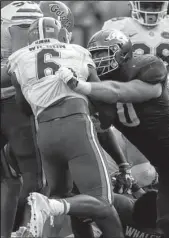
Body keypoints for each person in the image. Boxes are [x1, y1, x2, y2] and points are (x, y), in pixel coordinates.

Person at [62, 28, 169, 238]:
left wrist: (81, 86)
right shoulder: (98, 89)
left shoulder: (144, 69)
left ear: (123, 53)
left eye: (103, 53)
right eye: (94, 54)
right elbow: (101, 130)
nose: (98, 59)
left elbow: (119, 91)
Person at [3, 17, 125, 238]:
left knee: (64, 199)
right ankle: (44, 208)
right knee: (102, 202)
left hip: (45, 134)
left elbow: (24, 107)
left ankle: (37, 222)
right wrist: (105, 120)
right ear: (61, 34)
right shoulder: (77, 51)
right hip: (75, 125)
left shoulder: (18, 58)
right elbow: (100, 95)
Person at [1, 2, 44, 236]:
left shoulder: (21, 10)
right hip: (10, 104)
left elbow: (19, 64)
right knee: (12, 178)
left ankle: (24, 230)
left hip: (14, 101)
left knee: (25, 178)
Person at [102, 1, 169, 98]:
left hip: (166, 96)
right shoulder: (118, 27)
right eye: (145, 6)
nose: (150, 11)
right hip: (130, 95)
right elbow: (106, 71)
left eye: (156, 6)